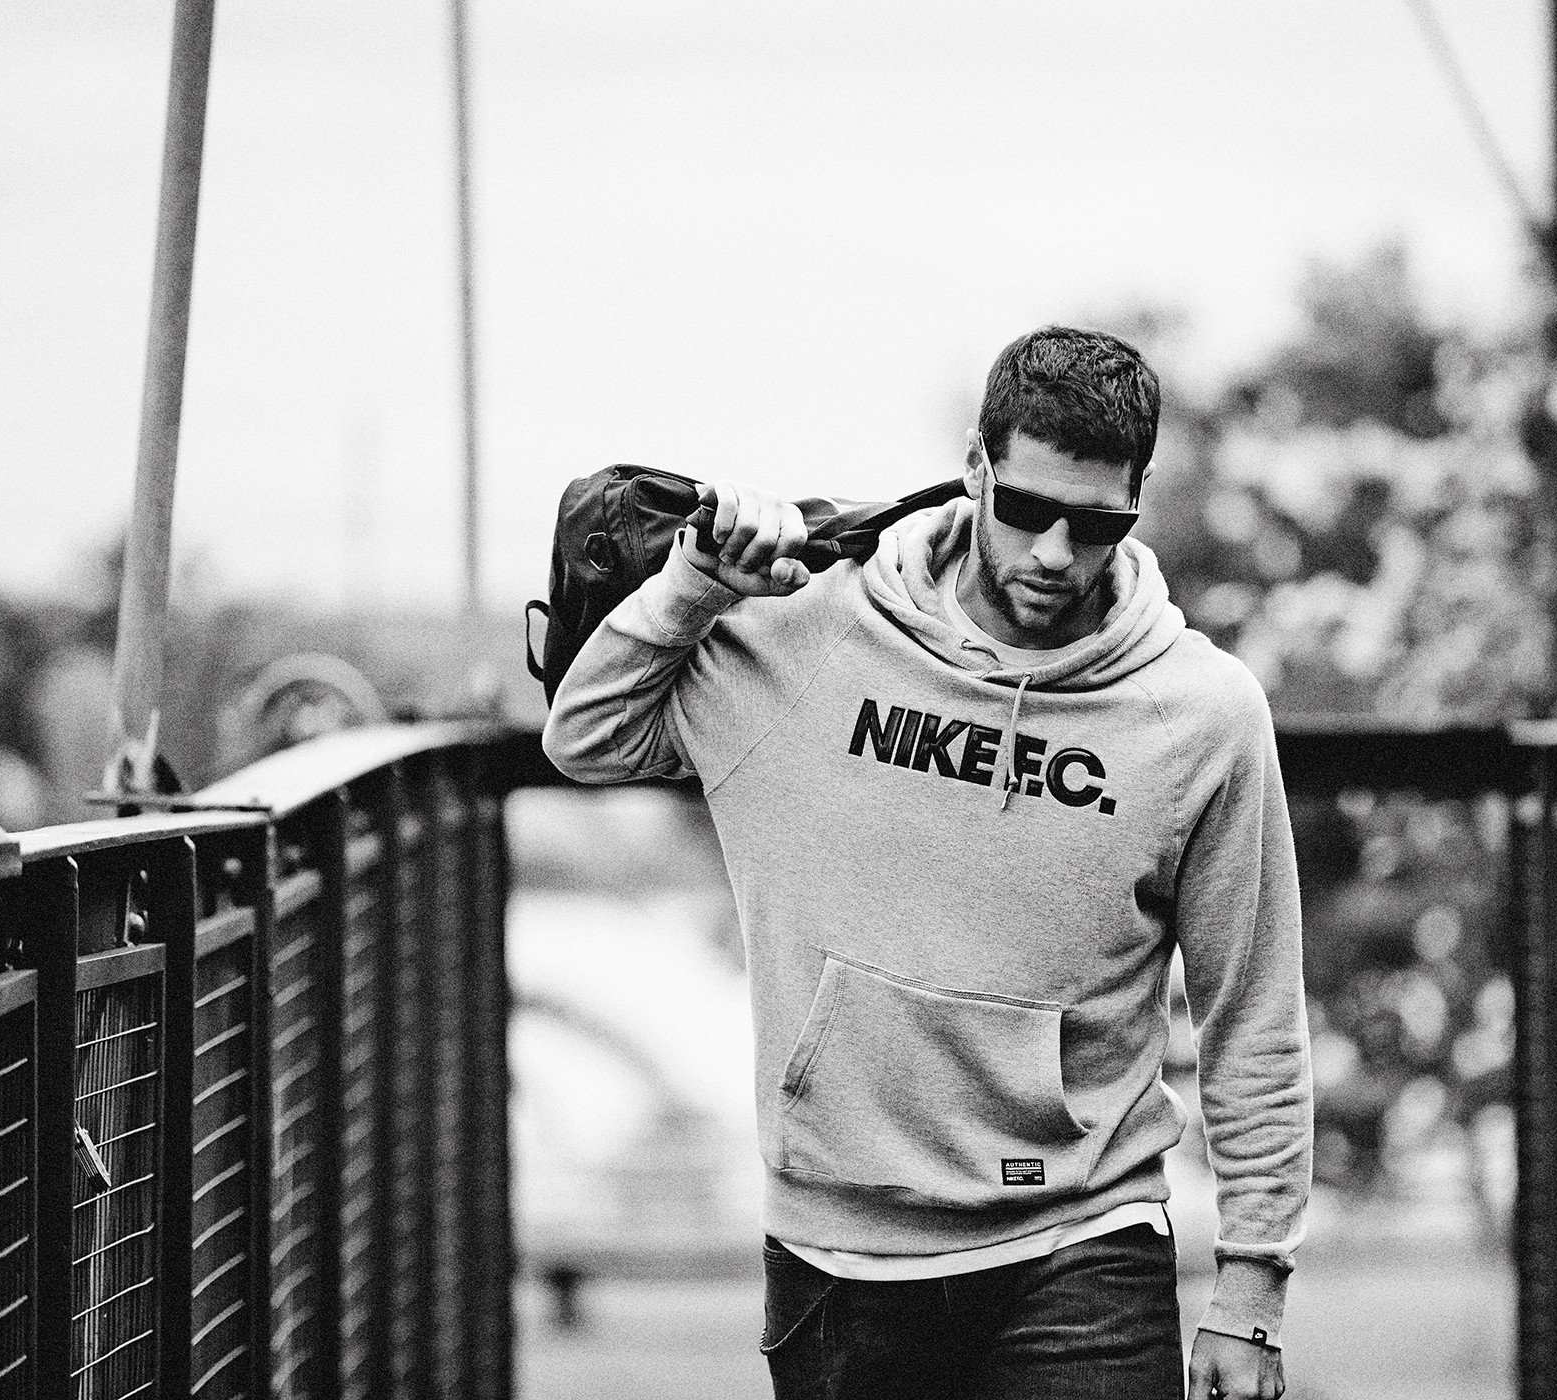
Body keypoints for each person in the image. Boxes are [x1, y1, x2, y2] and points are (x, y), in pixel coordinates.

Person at [544, 326, 1311, 1400]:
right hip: (840, 1251)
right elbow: (587, 737)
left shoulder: (1200, 714)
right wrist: (696, 585)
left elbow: (1254, 1012)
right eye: (1028, 508)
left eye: (1096, 523)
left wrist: (1253, 1288)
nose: (1056, 553)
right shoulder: (811, 633)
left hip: (1083, 1238)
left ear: (1136, 500)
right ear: (975, 467)